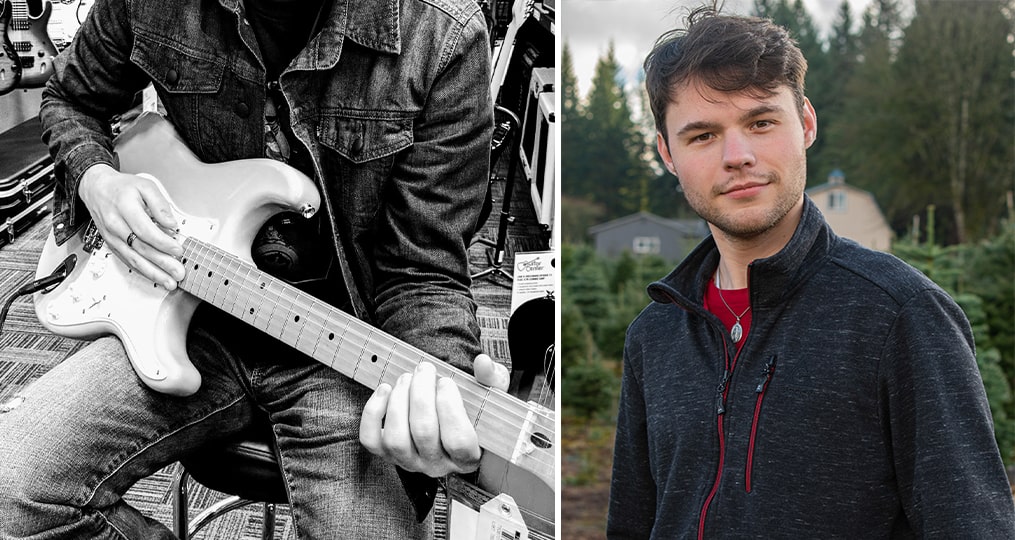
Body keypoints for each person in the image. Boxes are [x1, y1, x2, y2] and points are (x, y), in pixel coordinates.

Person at [0, 0, 507, 537]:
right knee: (11, 490)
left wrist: (434, 377)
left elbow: (422, 268)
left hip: (340, 347)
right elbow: (70, 98)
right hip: (192, 316)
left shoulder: (441, 32)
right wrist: (97, 179)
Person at [607, 6, 1015, 539]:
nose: (737, 155)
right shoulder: (654, 335)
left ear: (805, 123)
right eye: (702, 135)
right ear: (667, 153)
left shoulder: (900, 316)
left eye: (760, 122)